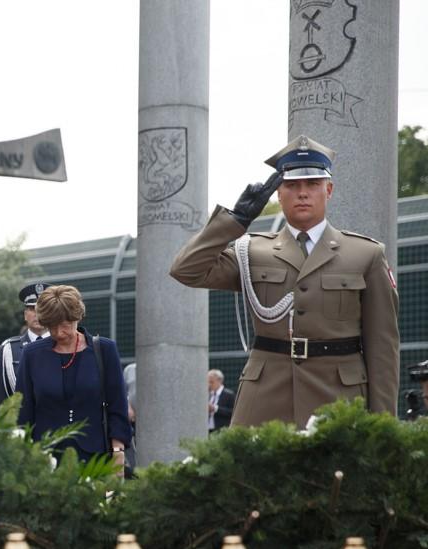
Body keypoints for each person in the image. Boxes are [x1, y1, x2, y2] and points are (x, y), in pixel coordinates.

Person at [170, 135, 400, 428]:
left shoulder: (365, 254)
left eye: (312, 184)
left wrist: (383, 426)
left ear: (328, 190)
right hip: (265, 397)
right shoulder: (251, 251)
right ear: (278, 193)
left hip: (340, 397)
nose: (302, 193)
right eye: (292, 185)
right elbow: (186, 269)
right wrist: (236, 220)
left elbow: (383, 348)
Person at [17, 285, 131, 475]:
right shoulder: (32, 354)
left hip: (95, 458)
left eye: (65, 325)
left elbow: (117, 407)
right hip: (45, 460)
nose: (59, 332)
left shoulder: (104, 350)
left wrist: (118, 452)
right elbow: (23, 411)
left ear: (77, 318)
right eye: (52, 326)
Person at [0, 282, 50, 415]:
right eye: (32, 309)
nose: (37, 314)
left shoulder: (62, 345)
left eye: (42, 309)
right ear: (25, 314)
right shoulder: (8, 350)